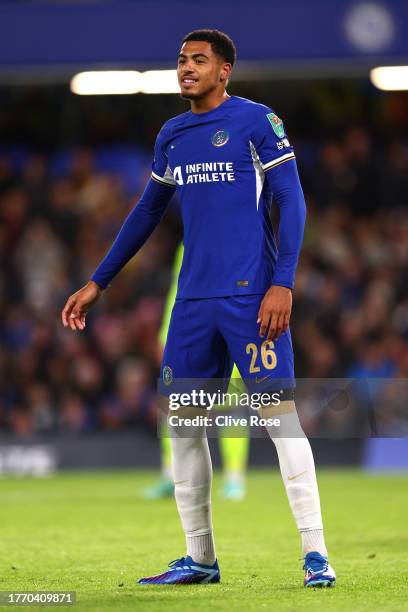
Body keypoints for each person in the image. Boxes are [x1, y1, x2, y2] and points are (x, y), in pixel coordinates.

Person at [61, 29, 336, 588]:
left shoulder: (257, 122)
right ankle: (200, 558)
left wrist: (282, 282)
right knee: (185, 427)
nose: (186, 68)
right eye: (181, 60)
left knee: (279, 420)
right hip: (192, 305)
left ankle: (316, 553)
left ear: (225, 70)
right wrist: (98, 282)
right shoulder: (173, 134)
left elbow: (292, 199)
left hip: (250, 299)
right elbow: (145, 212)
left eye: (199, 60)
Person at [142, 242, 249, 502]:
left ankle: (234, 478)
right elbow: (177, 291)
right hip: (190, 327)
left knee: (230, 404)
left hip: (230, 325)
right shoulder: (187, 242)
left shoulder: (241, 234)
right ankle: (172, 475)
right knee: (175, 403)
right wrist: (165, 333)